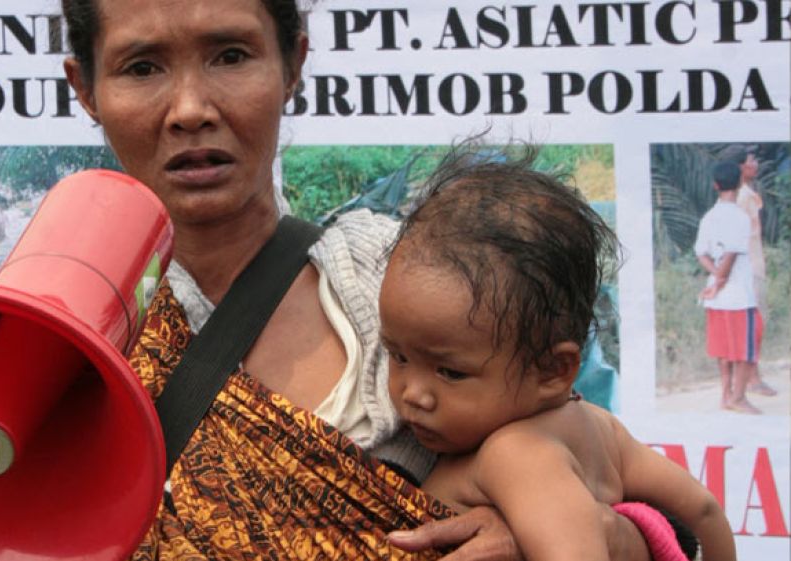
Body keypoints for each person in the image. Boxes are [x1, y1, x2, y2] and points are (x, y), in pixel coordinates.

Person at [61, 0, 679, 558]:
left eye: (231, 55)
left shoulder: (428, 283)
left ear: (293, 63)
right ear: (85, 88)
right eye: (141, 67)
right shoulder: (48, 340)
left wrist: (579, 535)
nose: (191, 109)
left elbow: (664, 519)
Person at [380, 147, 734, 561]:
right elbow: (704, 511)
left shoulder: (515, 454)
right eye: (398, 356)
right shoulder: (603, 429)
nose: (413, 393)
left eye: (450, 372)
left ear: (553, 370)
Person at [694, 162, 763, 415]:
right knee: (745, 349)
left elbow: (701, 253)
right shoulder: (739, 217)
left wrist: (714, 279)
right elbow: (732, 255)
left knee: (723, 348)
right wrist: (721, 281)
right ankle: (738, 397)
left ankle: (726, 395)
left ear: (715, 185)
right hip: (737, 296)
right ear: (738, 183)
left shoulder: (709, 217)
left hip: (717, 296)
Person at [721, 147, 776, 397]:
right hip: (748, 270)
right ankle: (752, 379)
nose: (756, 162)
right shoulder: (743, 197)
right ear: (742, 168)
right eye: (751, 159)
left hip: (746, 269)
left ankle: (743, 381)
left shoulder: (741, 196)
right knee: (753, 325)